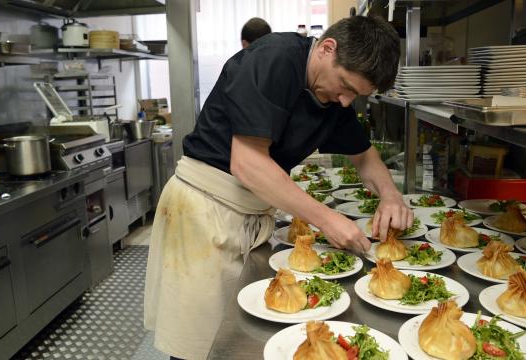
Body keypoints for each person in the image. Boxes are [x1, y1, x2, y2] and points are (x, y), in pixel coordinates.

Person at [144, 15, 411, 360]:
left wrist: (390, 196)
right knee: (197, 346)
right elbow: (247, 163)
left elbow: (364, 155)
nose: (346, 101)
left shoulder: (332, 96)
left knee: (233, 336)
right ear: (327, 49)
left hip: (249, 212)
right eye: (345, 86)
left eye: (356, 95)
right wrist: (326, 219)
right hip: (203, 211)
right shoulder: (274, 59)